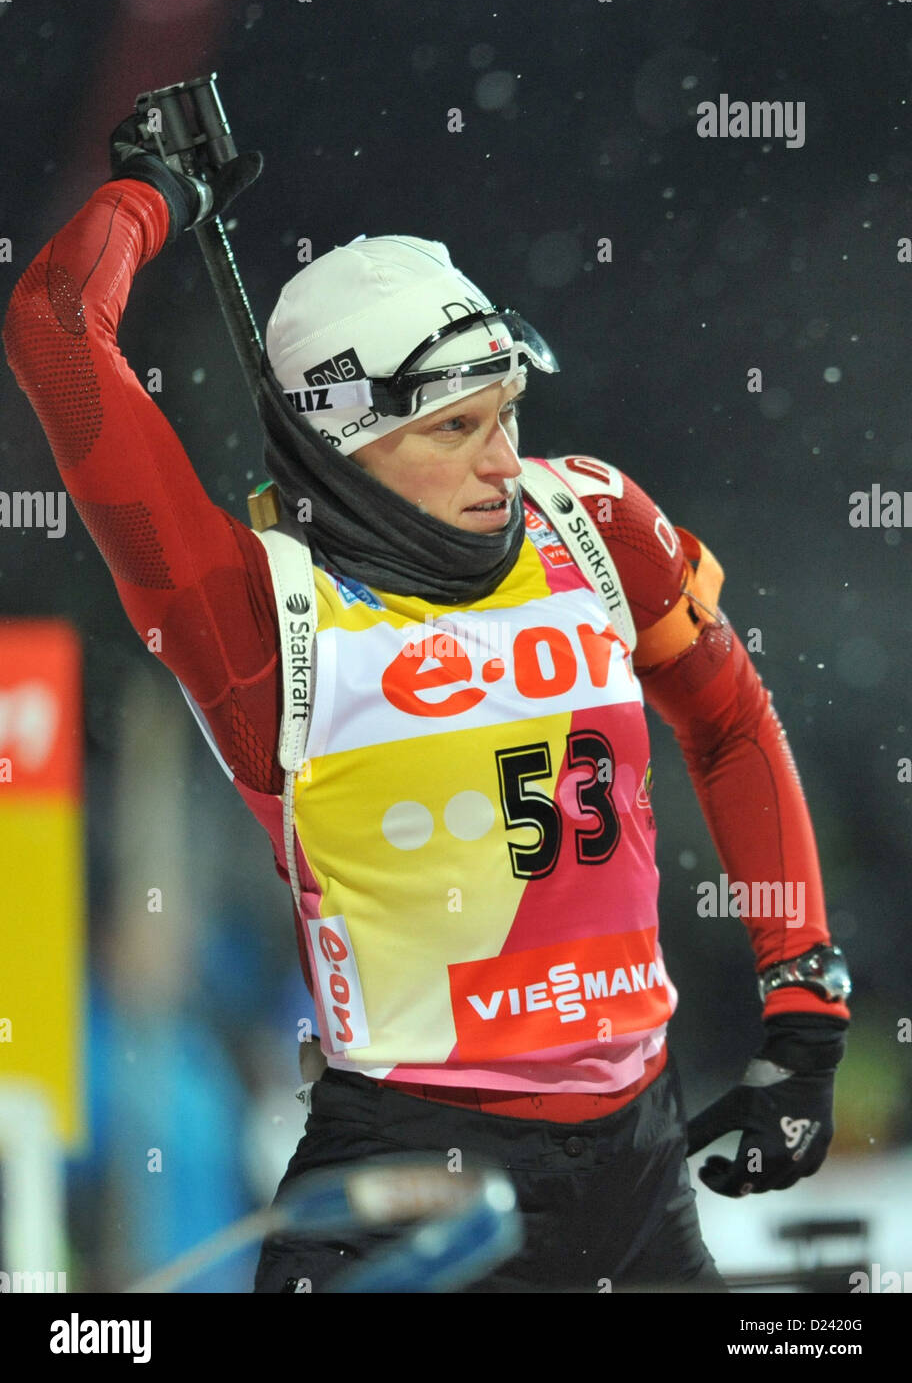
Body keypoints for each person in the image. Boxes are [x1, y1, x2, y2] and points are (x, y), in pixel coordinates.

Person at [3, 112, 851, 1295]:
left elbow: (731, 719)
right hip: (413, 1176)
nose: (504, 459)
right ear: (339, 448)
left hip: (639, 1172)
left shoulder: (594, 520)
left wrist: (803, 1003)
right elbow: (53, 332)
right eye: (455, 428)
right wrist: (155, 199)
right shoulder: (250, 614)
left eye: (508, 410)